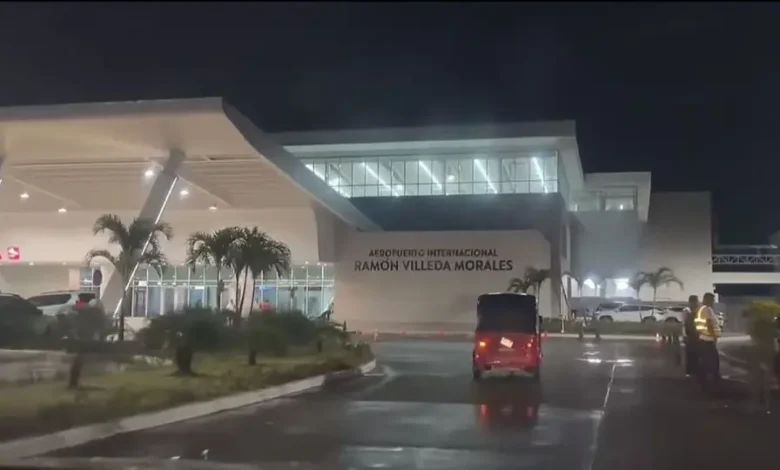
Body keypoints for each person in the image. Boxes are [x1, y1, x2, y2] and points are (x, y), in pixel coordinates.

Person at [695, 292, 722, 390]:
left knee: (706, 362)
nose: (713, 302)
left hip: (703, 339)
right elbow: (709, 323)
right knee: (713, 362)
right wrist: (714, 336)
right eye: (712, 300)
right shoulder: (707, 309)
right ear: (707, 300)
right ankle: (712, 383)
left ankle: (703, 382)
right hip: (708, 340)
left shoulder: (701, 309)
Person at [682, 295, 700, 376]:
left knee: (697, 353)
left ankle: (696, 370)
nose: (695, 303)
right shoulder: (687, 311)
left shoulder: (699, 311)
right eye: (694, 301)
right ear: (690, 302)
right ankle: (690, 371)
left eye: (696, 301)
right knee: (690, 353)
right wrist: (684, 335)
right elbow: (684, 324)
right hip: (690, 335)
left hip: (698, 335)